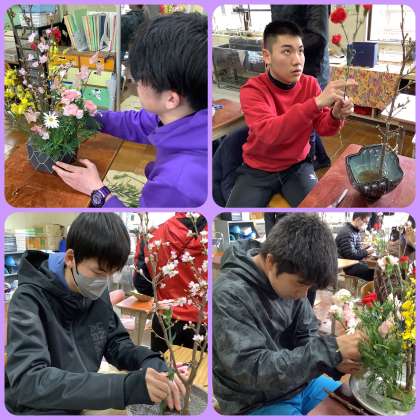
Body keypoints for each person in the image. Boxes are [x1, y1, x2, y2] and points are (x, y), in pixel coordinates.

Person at [6, 213, 185, 414]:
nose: (103, 282)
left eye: (110, 274)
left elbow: (116, 343)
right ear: (70, 258)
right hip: (35, 408)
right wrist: (123, 387)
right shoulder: (28, 300)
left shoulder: (93, 289)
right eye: (99, 273)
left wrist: (149, 361)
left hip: (79, 402)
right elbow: (29, 382)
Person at [213, 213, 364, 415]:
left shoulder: (292, 278)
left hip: (301, 383)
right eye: (301, 284)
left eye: (309, 287)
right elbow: (253, 370)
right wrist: (328, 352)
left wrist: (335, 363)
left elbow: (307, 336)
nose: (303, 295)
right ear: (271, 262)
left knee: (355, 407)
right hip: (254, 399)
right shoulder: (228, 295)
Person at [53, 13, 208, 208]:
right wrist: (87, 115)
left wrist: (97, 191)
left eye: (140, 80)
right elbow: (136, 123)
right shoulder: (182, 115)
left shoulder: (176, 183)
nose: (134, 82)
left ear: (171, 99)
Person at [226, 20, 356, 207]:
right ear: (267, 56)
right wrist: (316, 103)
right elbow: (269, 133)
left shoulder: (310, 84)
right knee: (232, 214)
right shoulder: (253, 90)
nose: (297, 60)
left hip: (297, 167)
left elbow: (323, 127)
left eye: (300, 51)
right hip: (257, 170)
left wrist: (335, 115)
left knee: (317, 212)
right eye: (287, 51)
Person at [133, 213, 207, 354]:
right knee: (201, 367)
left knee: (162, 366)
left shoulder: (154, 234)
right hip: (202, 323)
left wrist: (163, 292)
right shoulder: (211, 238)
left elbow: (142, 284)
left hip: (165, 320)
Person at [270, 5, 332, 169]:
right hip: (285, 69)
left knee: (309, 121)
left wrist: (281, 48)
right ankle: (320, 158)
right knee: (297, 116)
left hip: (311, 69)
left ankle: (308, 162)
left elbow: (318, 37)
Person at [335, 212, 375, 281]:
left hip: (354, 263)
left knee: (374, 268)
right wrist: (367, 252)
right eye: (365, 222)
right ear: (358, 219)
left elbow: (357, 250)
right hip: (348, 266)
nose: (366, 225)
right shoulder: (346, 232)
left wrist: (366, 248)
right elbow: (351, 255)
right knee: (373, 272)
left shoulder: (355, 232)